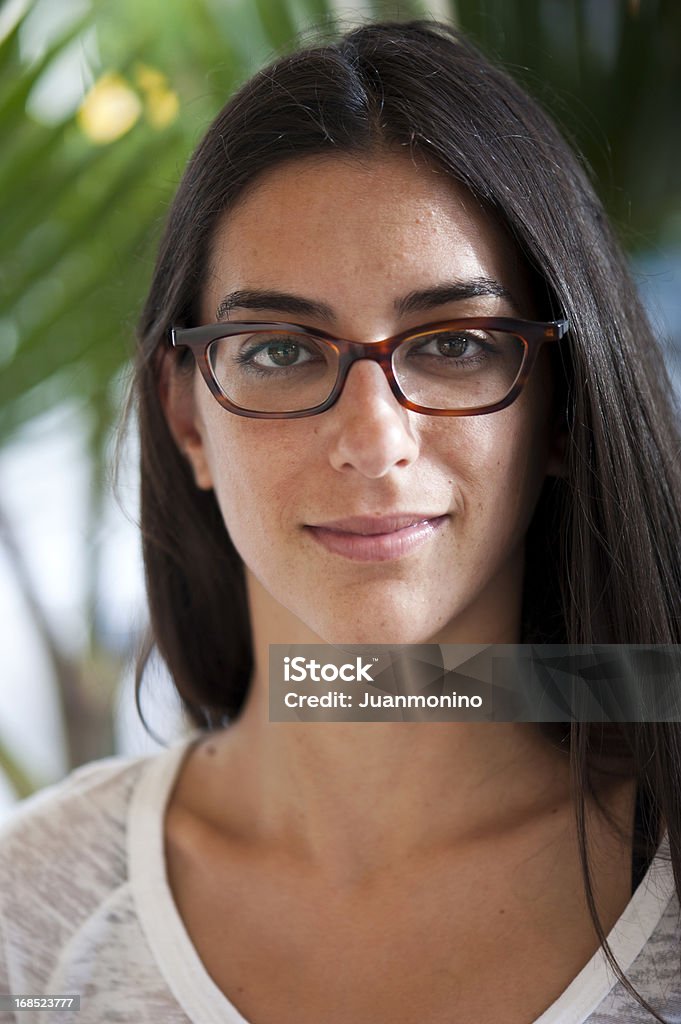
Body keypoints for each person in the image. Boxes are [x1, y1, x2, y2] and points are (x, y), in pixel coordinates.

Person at [2, 17, 681, 1024]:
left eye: (453, 343)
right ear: (187, 413)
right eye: (280, 349)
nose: (375, 438)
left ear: (561, 409)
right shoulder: (27, 925)